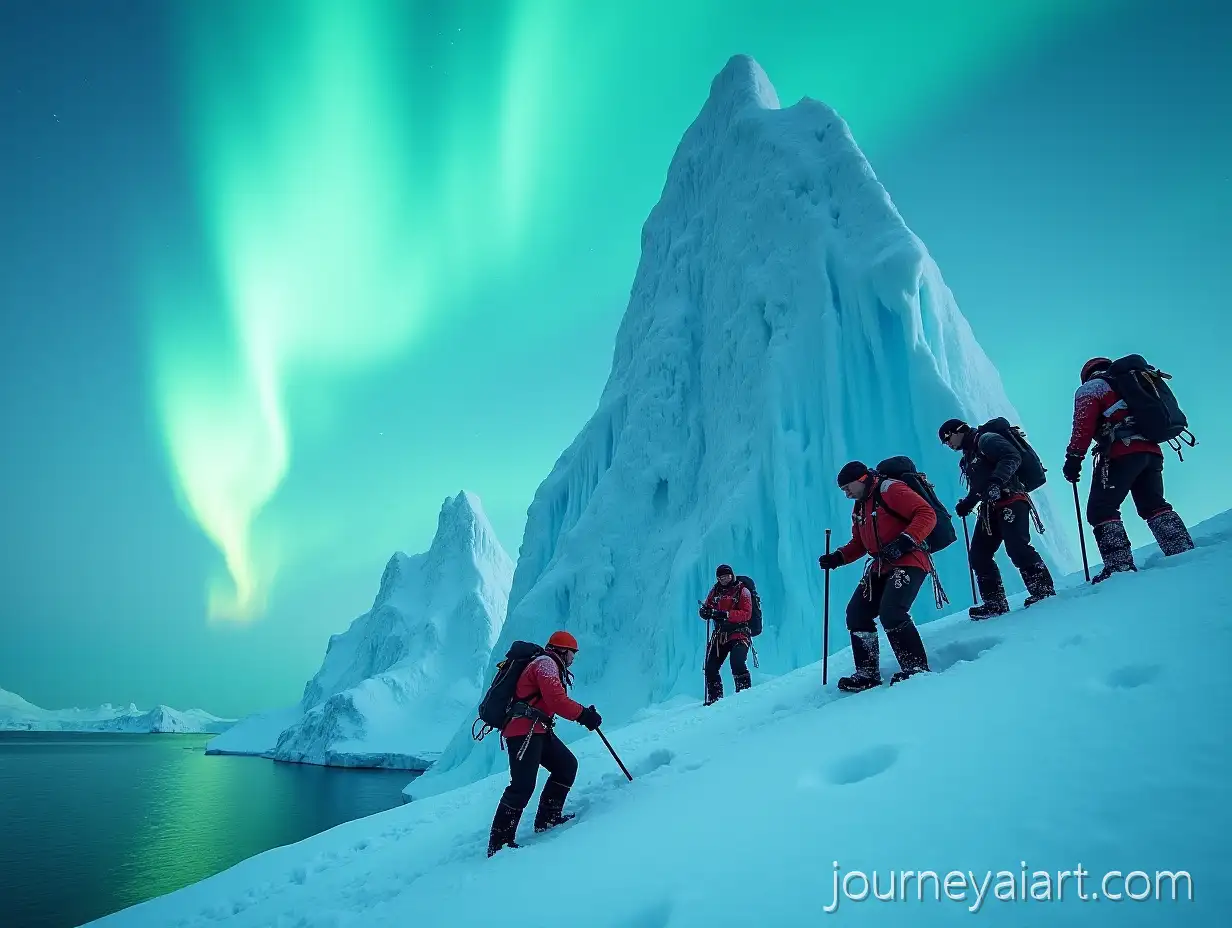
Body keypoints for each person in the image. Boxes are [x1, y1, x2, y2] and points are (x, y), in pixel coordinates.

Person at [1063, 357, 1195, 582]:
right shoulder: (1132, 382)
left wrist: (1074, 458)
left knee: (1101, 510)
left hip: (1121, 452)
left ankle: (1119, 566)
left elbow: (1083, 425)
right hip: (1151, 452)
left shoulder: (1092, 388)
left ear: (1087, 375)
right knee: (1153, 505)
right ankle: (1180, 548)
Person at [816, 461, 933, 691]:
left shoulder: (890, 489)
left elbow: (926, 513)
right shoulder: (860, 507)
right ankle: (867, 673)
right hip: (882, 565)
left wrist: (906, 540)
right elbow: (860, 543)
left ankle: (916, 667)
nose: (846, 493)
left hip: (909, 559)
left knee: (892, 611)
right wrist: (838, 557)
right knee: (857, 613)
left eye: (847, 487)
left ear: (861, 479)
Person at [486, 631, 602, 857]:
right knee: (522, 785)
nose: (573, 659)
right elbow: (556, 700)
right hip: (525, 732)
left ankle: (548, 819)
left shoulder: (545, 663)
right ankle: (499, 844)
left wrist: (583, 714)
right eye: (572, 654)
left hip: (537, 729)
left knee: (566, 766)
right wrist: (584, 715)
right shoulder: (546, 664)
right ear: (563, 650)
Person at [939, 418, 1056, 617]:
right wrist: (968, 502)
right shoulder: (969, 456)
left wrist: (996, 482)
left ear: (958, 431)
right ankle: (995, 603)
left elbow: (1012, 456)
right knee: (979, 555)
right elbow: (979, 486)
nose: (947, 444)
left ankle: (1043, 590)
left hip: (1011, 499)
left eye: (947, 438)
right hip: (990, 508)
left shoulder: (986, 440)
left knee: (1017, 547)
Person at [698, 564, 754, 704]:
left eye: (726, 576)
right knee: (710, 667)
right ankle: (715, 700)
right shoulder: (715, 591)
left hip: (739, 633)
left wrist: (724, 615)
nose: (724, 579)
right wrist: (705, 612)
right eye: (721, 577)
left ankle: (744, 694)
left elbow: (746, 614)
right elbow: (708, 606)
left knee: (737, 662)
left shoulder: (743, 590)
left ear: (732, 575)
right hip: (721, 635)